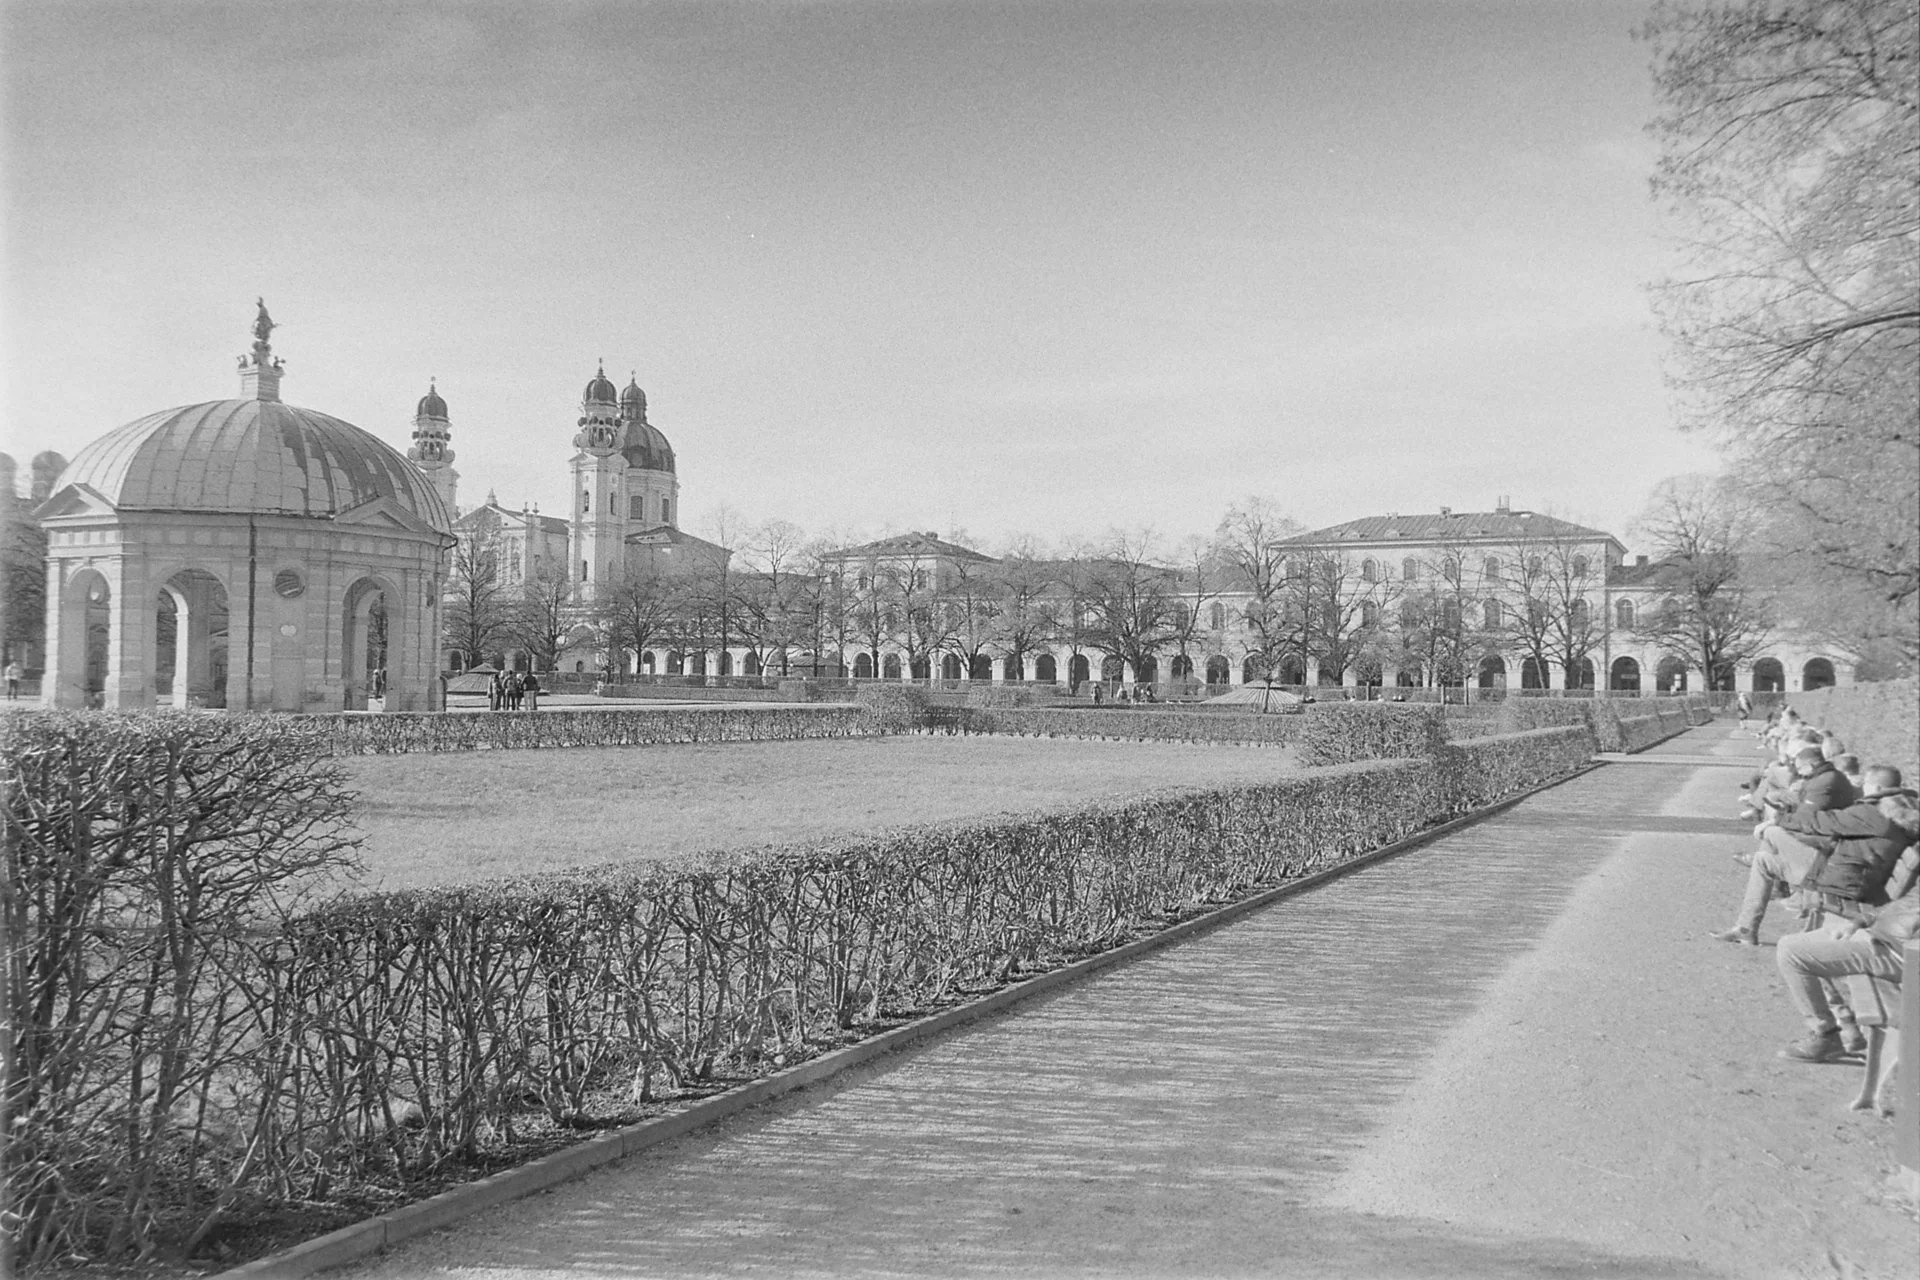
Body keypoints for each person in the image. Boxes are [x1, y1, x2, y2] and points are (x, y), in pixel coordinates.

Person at [1711, 746, 1858, 945]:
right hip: (1824, 849)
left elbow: (1804, 817)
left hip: (1824, 858)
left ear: (1811, 765)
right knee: (1764, 858)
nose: (1797, 771)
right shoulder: (1823, 778)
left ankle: (1773, 887)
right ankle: (1746, 927)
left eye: (1800, 768)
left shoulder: (1826, 782)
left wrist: (1775, 821)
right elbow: (1805, 811)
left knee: (1771, 832)